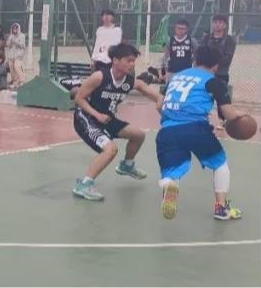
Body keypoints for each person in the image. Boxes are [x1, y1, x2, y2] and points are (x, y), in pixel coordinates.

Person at [157, 45, 246, 221]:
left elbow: (159, 105)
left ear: (195, 60)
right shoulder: (213, 81)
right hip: (195, 128)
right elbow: (228, 114)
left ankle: (170, 186)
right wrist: (241, 115)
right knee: (220, 163)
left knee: (173, 169)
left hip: (167, 130)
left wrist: (175, 119)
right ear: (216, 66)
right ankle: (221, 208)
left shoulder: (175, 77)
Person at [71, 43, 163, 201]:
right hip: (86, 118)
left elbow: (155, 95)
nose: (132, 64)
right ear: (115, 60)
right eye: (129, 60)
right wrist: (97, 115)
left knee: (138, 135)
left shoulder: (130, 81)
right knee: (110, 150)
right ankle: (84, 185)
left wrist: (160, 100)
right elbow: (79, 98)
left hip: (107, 119)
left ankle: (126, 165)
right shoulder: (100, 77)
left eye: (133, 61)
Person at [5, 23, 26, 88]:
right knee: (11, 68)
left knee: (17, 67)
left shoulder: (22, 36)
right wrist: (10, 42)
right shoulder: (11, 36)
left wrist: (15, 42)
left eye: (16, 28)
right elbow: (8, 45)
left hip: (18, 55)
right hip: (11, 55)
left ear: (18, 29)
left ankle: (22, 81)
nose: (14, 30)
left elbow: (22, 45)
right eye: (13, 28)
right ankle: (15, 82)